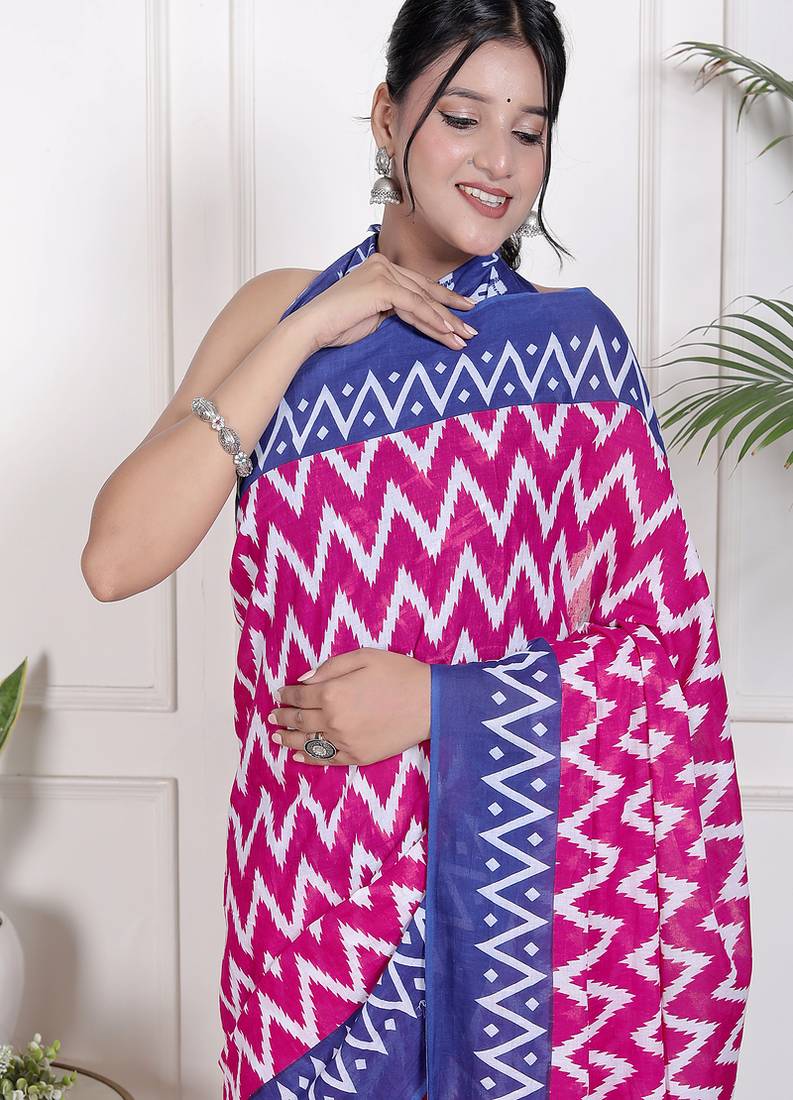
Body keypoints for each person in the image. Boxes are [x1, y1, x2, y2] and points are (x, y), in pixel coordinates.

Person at [82, 2, 753, 1098]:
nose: (499, 162)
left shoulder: (574, 351)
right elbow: (116, 558)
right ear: (388, 117)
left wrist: (441, 700)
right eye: (462, 117)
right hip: (309, 908)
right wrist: (311, 328)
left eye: (528, 131)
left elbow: (661, 664)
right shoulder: (279, 314)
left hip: (523, 915)